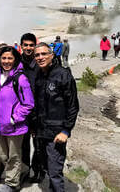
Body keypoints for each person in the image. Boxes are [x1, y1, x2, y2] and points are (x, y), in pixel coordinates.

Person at [31, 43, 79, 192]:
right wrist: (34, 126)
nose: (40, 57)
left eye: (44, 54)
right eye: (37, 55)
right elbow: (37, 104)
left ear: (52, 55)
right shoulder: (39, 75)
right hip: (41, 131)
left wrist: (66, 130)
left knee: (55, 172)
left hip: (57, 132)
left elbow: (73, 106)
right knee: (46, 166)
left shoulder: (63, 74)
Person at [0, 46, 35, 192]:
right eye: (4, 58)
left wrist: (14, 118)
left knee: (14, 155)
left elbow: (29, 103)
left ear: (15, 60)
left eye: (10, 58)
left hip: (15, 126)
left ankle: (12, 184)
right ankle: (24, 169)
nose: (6, 61)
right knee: (2, 154)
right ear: (0, 59)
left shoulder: (20, 79)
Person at [20, 33, 38, 182]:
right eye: (25, 45)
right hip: (22, 112)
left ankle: (37, 171)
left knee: (38, 143)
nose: (28, 48)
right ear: (21, 46)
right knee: (23, 143)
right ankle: (24, 171)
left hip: (38, 111)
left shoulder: (40, 63)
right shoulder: (16, 63)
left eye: (31, 45)